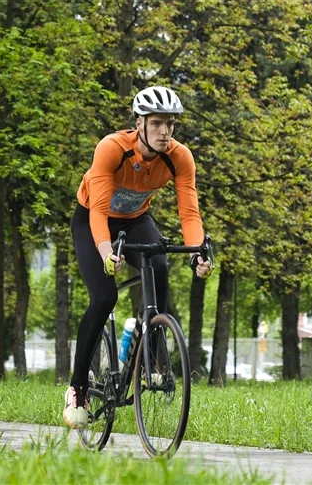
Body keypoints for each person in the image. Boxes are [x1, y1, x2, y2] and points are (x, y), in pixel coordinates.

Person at [64, 86, 212, 428]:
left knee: (159, 265)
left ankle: (154, 363)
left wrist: (196, 255)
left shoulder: (179, 157)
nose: (165, 132)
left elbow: (189, 215)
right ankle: (78, 387)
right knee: (104, 297)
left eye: (170, 124)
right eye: (157, 123)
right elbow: (99, 210)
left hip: (135, 221)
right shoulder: (112, 148)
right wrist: (105, 251)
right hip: (92, 221)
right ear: (139, 123)